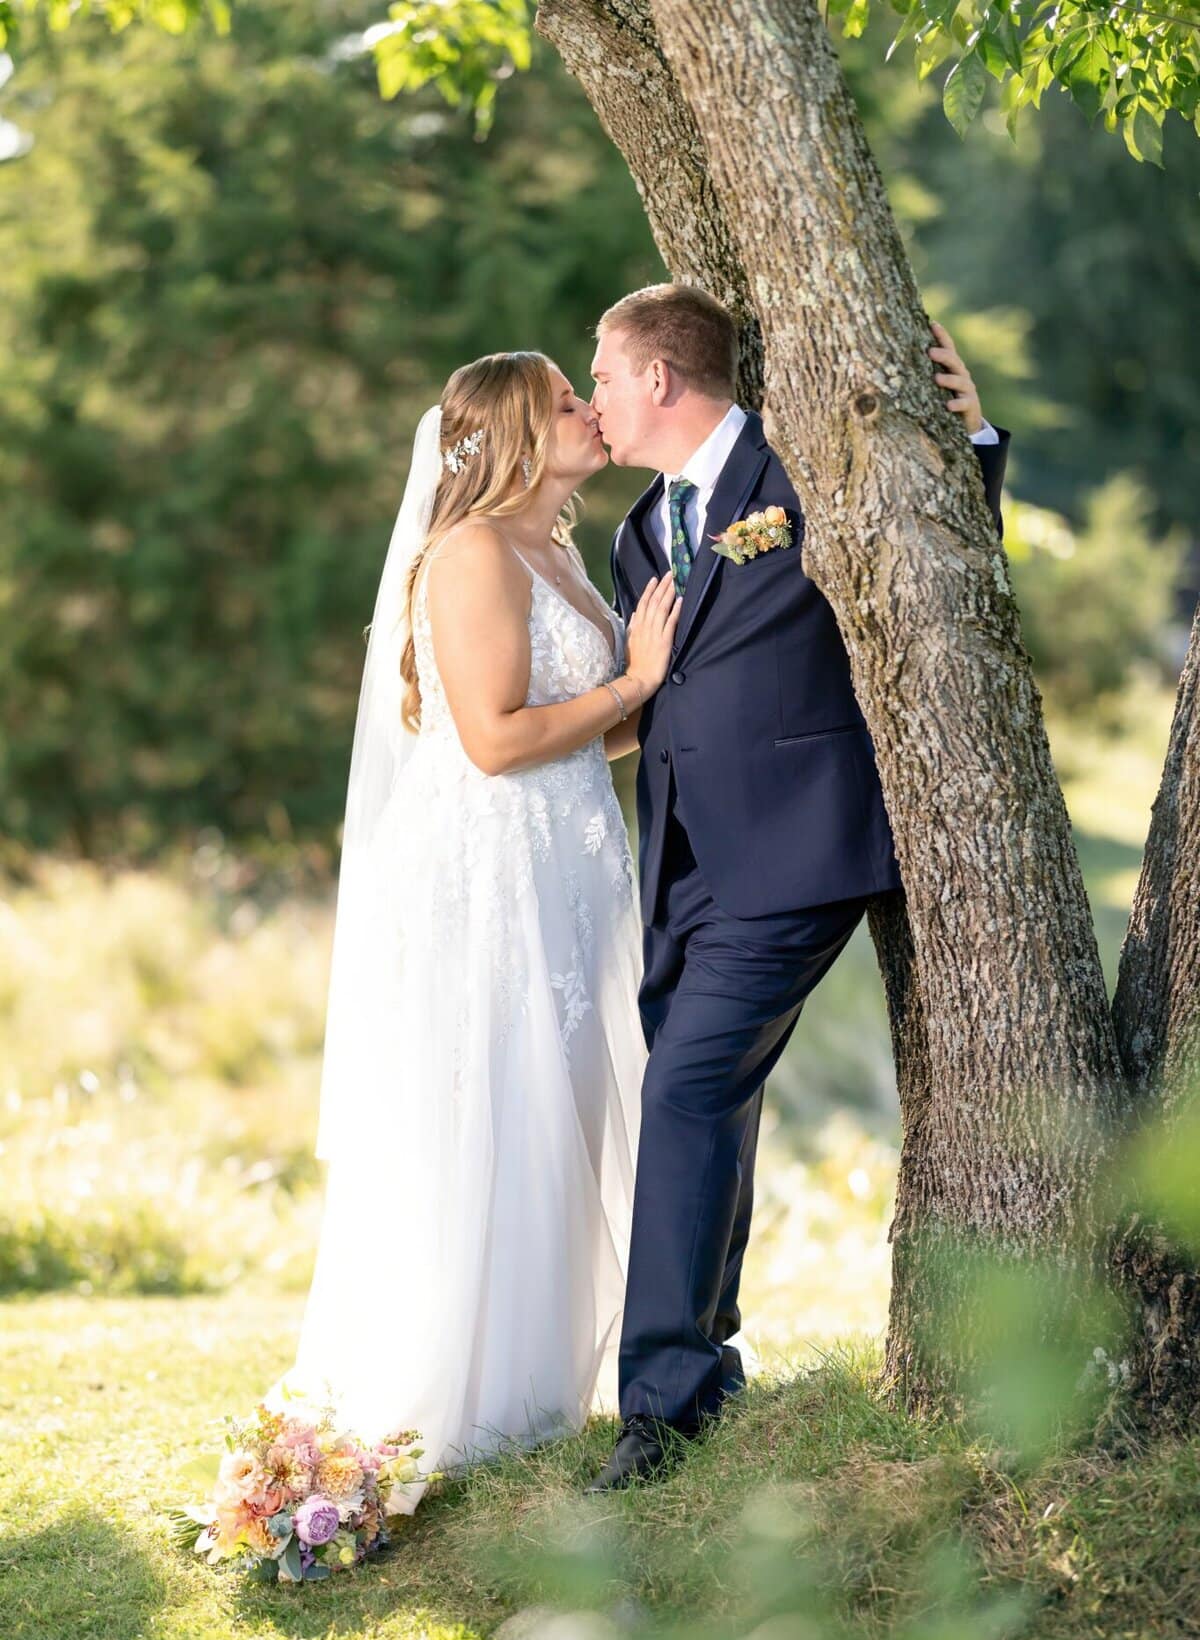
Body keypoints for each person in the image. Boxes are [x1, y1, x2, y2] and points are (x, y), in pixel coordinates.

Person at [585, 285, 1008, 1491]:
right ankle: (706, 1369)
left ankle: (660, 1411)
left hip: (798, 849)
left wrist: (968, 451)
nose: (597, 400)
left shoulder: (794, 464)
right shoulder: (635, 533)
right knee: (706, 1104)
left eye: (605, 376)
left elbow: (932, 569)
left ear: (662, 377)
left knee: (686, 1092)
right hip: (684, 866)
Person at [266, 350, 679, 1509]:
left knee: (566, 1107)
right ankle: (464, 1398)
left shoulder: (557, 549)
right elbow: (496, 741)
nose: (589, 411)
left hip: (568, 860)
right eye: (563, 401)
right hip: (486, 873)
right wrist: (636, 685)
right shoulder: (469, 554)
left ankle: (541, 1388)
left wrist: (640, 707)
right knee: (491, 1107)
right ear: (507, 433)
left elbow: (582, 733)